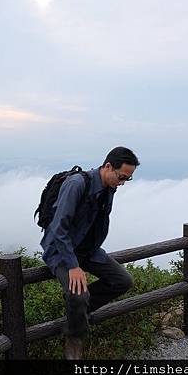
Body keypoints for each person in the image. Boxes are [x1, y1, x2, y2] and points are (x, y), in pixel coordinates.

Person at [39, 146, 139, 359]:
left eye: (127, 179)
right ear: (108, 166)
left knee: (123, 280)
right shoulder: (77, 184)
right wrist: (73, 266)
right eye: (121, 177)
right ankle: (73, 342)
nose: (122, 183)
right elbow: (59, 228)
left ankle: (76, 318)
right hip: (61, 251)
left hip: (89, 250)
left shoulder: (108, 188)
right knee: (79, 294)